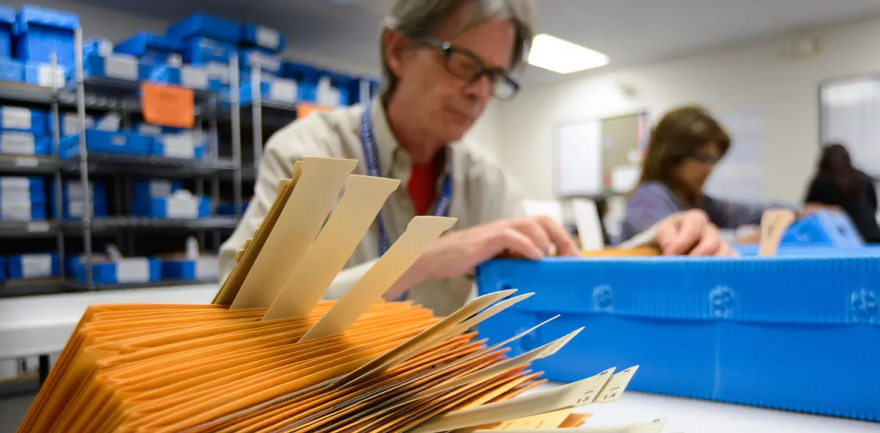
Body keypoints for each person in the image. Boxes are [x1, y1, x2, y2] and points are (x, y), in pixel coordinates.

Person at [220, 0, 734, 316]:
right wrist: (420, 260)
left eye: (495, 77)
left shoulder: (485, 181)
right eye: (465, 63)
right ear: (397, 50)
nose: (480, 93)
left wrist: (661, 240)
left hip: (424, 399)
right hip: (312, 405)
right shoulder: (311, 154)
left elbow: (562, 266)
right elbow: (243, 309)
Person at [621, 106, 795, 242]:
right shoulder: (649, 198)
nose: (709, 169)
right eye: (703, 159)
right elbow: (673, 247)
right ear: (672, 156)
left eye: (713, 160)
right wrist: (745, 242)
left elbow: (748, 212)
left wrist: (796, 212)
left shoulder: (695, 200)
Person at [804, 144, 880, 242]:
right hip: (873, 235)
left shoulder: (821, 181)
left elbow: (808, 209)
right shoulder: (864, 178)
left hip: (845, 238)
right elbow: (873, 206)